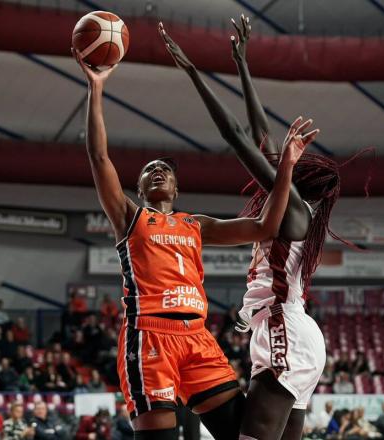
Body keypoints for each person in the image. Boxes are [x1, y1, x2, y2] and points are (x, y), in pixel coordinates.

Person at [73, 27, 312, 439]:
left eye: (166, 169)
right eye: (150, 170)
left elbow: (264, 227)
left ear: (177, 189)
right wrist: (96, 87)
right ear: (141, 189)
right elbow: (98, 156)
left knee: (246, 434)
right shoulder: (129, 217)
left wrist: (286, 167)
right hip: (150, 336)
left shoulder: (195, 225)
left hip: (197, 339)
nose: (159, 171)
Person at [159, 17, 338, 440]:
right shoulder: (288, 200)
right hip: (289, 329)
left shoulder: (294, 207)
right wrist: (241, 64)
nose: (275, 159)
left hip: (284, 327)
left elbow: (238, 138)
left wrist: (192, 73)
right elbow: (260, 136)